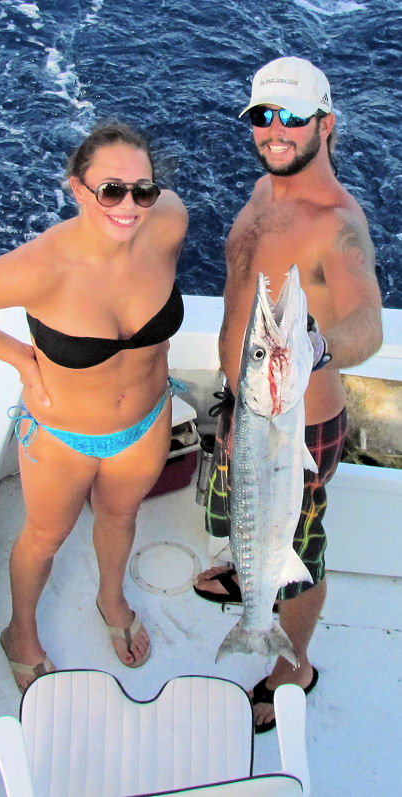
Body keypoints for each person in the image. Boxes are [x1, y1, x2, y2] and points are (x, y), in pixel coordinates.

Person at [0, 120, 188, 691]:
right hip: (63, 437)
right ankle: (22, 632)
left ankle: (111, 601)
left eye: (143, 189)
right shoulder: (42, 268)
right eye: (111, 189)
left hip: (147, 421)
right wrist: (20, 359)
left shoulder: (169, 224)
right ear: (77, 189)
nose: (129, 205)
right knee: (44, 538)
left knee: (121, 515)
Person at [193, 57, 382, 732]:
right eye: (263, 117)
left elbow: (367, 321)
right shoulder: (264, 190)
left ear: (325, 125)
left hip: (295, 424)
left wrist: (314, 346)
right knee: (240, 521)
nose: (273, 131)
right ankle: (248, 572)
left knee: (297, 557)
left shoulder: (336, 220)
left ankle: (292, 662)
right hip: (247, 404)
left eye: (291, 119)